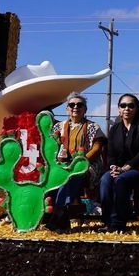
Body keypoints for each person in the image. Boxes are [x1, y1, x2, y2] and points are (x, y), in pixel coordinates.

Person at [99, 94, 139, 232]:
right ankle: (107, 221)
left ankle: (117, 223)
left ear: (136, 108)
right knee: (105, 179)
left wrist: (127, 167)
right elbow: (110, 154)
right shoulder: (114, 129)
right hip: (121, 169)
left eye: (130, 105)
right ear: (119, 109)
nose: (126, 108)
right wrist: (113, 166)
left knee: (121, 179)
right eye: (123, 105)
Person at [46, 92, 106, 231]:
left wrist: (81, 162)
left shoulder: (93, 127)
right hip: (61, 165)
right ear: (67, 109)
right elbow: (51, 147)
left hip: (86, 165)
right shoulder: (58, 127)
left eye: (80, 104)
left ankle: (59, 215)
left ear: (85, 109)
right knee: (51, 177)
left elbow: (97, 148)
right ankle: (53, 216)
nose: (75, 107)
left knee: (71, 177)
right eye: (72, 105)